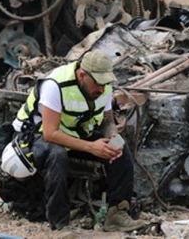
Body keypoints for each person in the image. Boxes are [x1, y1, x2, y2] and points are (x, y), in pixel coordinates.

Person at [12, 50, 146, 232]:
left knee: (120, 150)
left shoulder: (103, 87)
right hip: (36, 135)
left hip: (73, 132)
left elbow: (107, 120)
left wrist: (113, 136)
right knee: (57, 155)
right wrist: (91, 147)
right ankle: (60, 224)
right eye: (97, 84)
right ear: (82, 75)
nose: (101, 89)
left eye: (104, 84)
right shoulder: (55, 85)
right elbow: (50, 134)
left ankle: (117, 214)